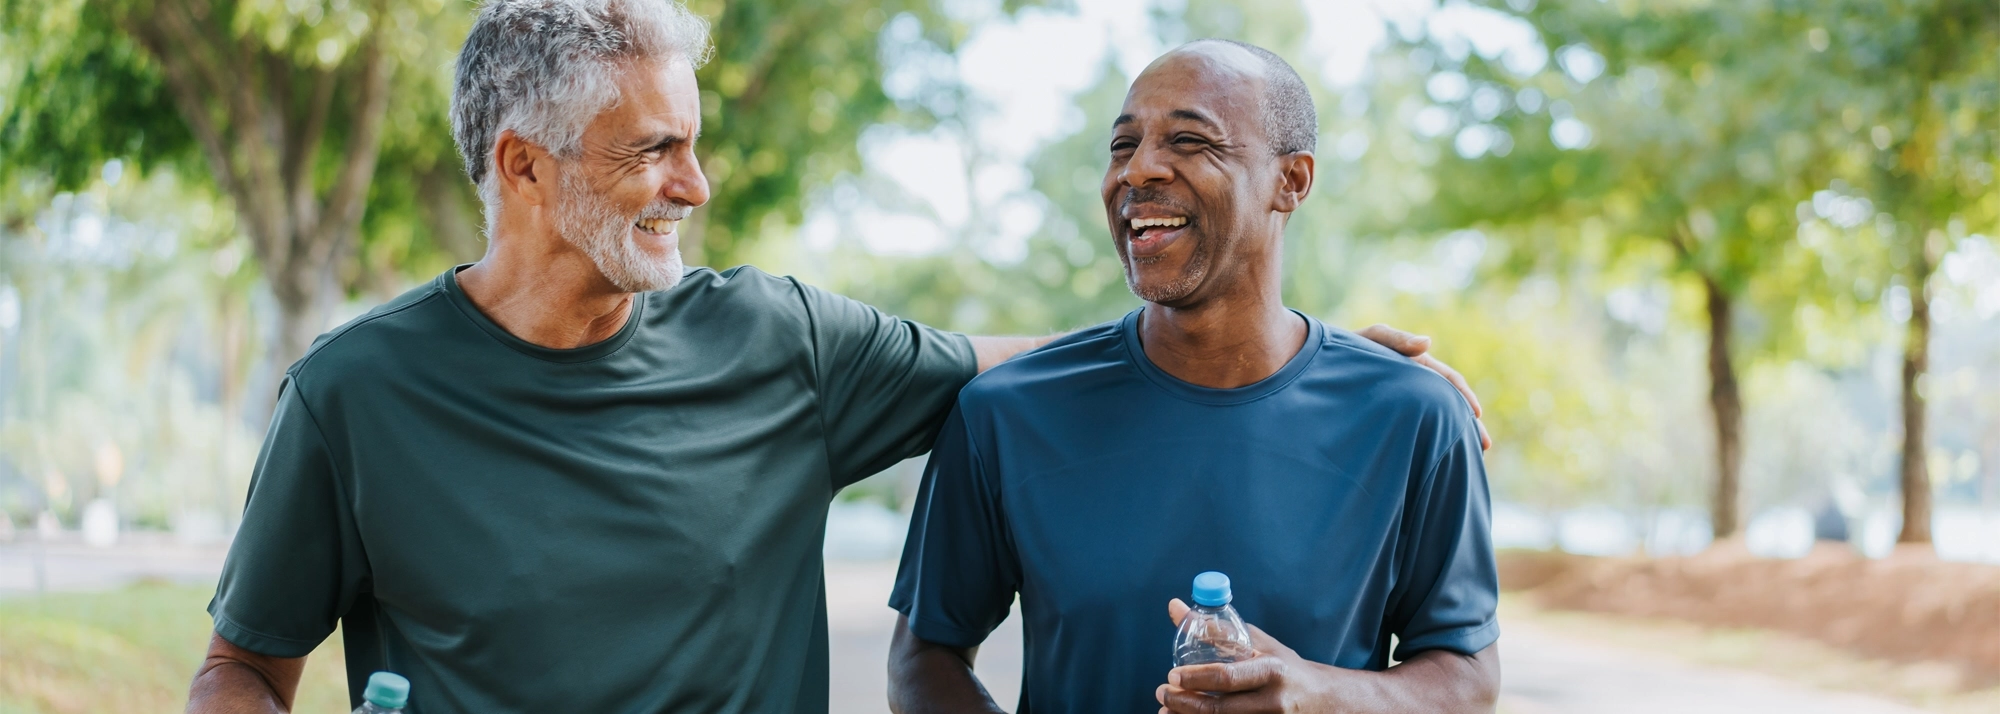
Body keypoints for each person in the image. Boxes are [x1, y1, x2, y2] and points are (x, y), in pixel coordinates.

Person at [184, 3, 1482, 712]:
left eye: (692, 141)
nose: (694, 183)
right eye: (653, 150)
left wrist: (1320, 355)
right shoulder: (355, 395)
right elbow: (245, 661)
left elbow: (1016, 364)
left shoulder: (776, 340)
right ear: (524, 165)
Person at [887, 40, 1501, 714]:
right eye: (1123, 147)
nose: (1139, 169)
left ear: (1290, 181)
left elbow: (1466, 679)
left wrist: (1314, 693)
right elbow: (924, 658)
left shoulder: (1415, 417)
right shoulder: (1002, 414)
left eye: (1189, 140)